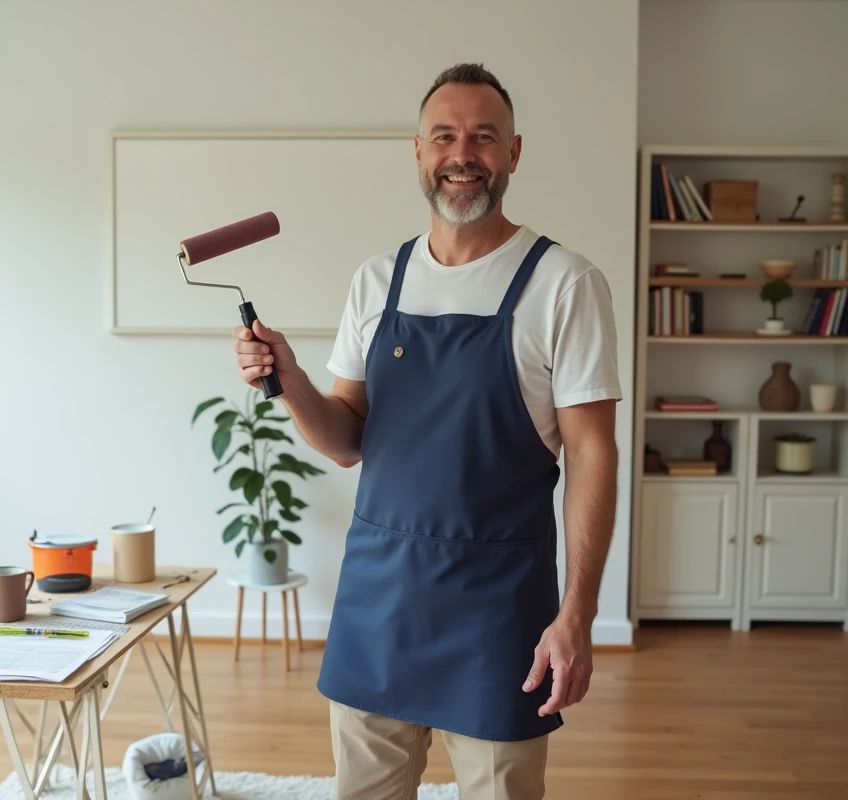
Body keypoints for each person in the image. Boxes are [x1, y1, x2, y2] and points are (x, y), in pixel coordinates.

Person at [231, 62, 621, 799]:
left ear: (513, 152)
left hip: (499, 614)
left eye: (483, 136)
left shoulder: (564, 283)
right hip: (379, 603)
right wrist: (286, 377)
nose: (462, 154)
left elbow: (594, 454)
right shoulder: (378, 280)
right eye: (445, 136)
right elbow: (347, 439)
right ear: (419, 151)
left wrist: (578, 613)